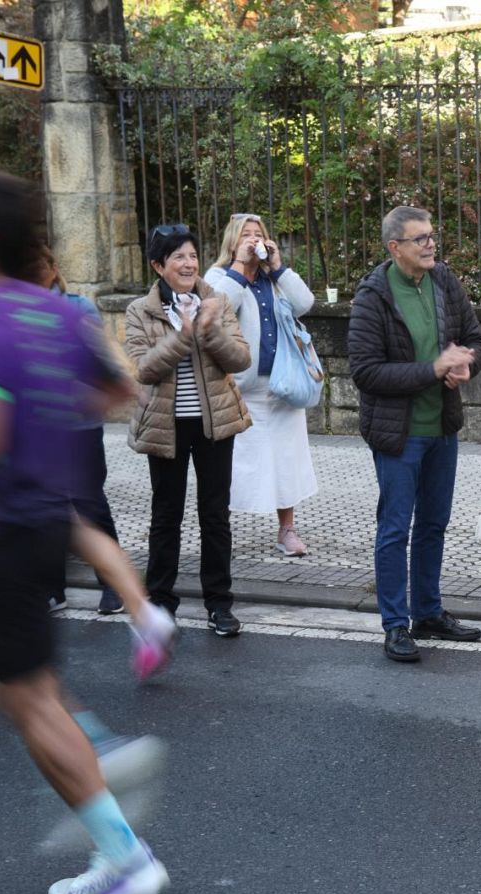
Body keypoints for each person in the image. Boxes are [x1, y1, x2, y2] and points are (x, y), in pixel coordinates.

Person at [0, 171, 171, 894]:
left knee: (27, 700)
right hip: (47, 518)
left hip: (4, 525)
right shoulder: (53, 311)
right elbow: (118, 392)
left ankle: (124, 855)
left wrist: (14, 415)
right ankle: (95, 748)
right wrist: (45, 410)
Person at [348, 206, 481, 662]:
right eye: (420, 238)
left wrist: (466, 365)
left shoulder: (444, 280)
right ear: (395, 247)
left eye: (431, 235)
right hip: (399, 435)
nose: (431, 245)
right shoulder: (373, 295)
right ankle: (395, 624)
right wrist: (433, 369)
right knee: (395, 529)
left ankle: (427, 612)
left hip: (442, 427)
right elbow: (366, 372)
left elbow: (477, 340)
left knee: (433, 525)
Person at [125, 224, 252, 637]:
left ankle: (219, 604)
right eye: (178, 257)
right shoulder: (140, 310)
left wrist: (209, 329)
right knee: (166, 516)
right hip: (165, 426)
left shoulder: (217, 301)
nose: (188, 264)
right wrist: (183, 335)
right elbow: (144, 368)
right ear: (158, 266)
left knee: (215, 515)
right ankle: (161, 603)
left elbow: (240, 359)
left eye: (193, 256)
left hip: (215, 422)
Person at [204, 213, 319, 557]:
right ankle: (218, 531)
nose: (254, 239)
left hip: (282, 383)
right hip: (240, 387)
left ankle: (287, 530)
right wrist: (241, 266)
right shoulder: (219, 276)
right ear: (232, 241)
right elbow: (217, 309)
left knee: (287, 459)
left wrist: (279, 267)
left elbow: (305, 303)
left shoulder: (274, 277)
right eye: (246, 235)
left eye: (258, 234)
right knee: (232, 463)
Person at [32, 245, 124, 615]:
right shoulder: (19, 310)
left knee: (89, 504)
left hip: (80, 423)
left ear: (53, 268)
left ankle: (113, 585)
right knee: (48, 506)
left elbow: (96, 363)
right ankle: (53, 588)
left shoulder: (78, 307)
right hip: (40, 427)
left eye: (37, 265)